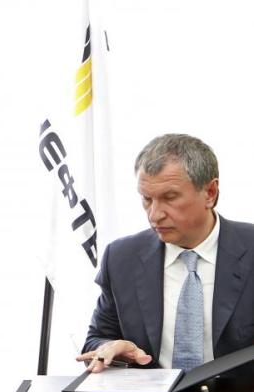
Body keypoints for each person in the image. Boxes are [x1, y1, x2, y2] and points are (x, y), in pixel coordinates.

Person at [77, 133, 254, 373]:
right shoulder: (121, 258)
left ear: (210, 193)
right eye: (147, 199)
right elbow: (97, 340)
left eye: (169, 198)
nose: (154, 214)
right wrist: (112, 350)